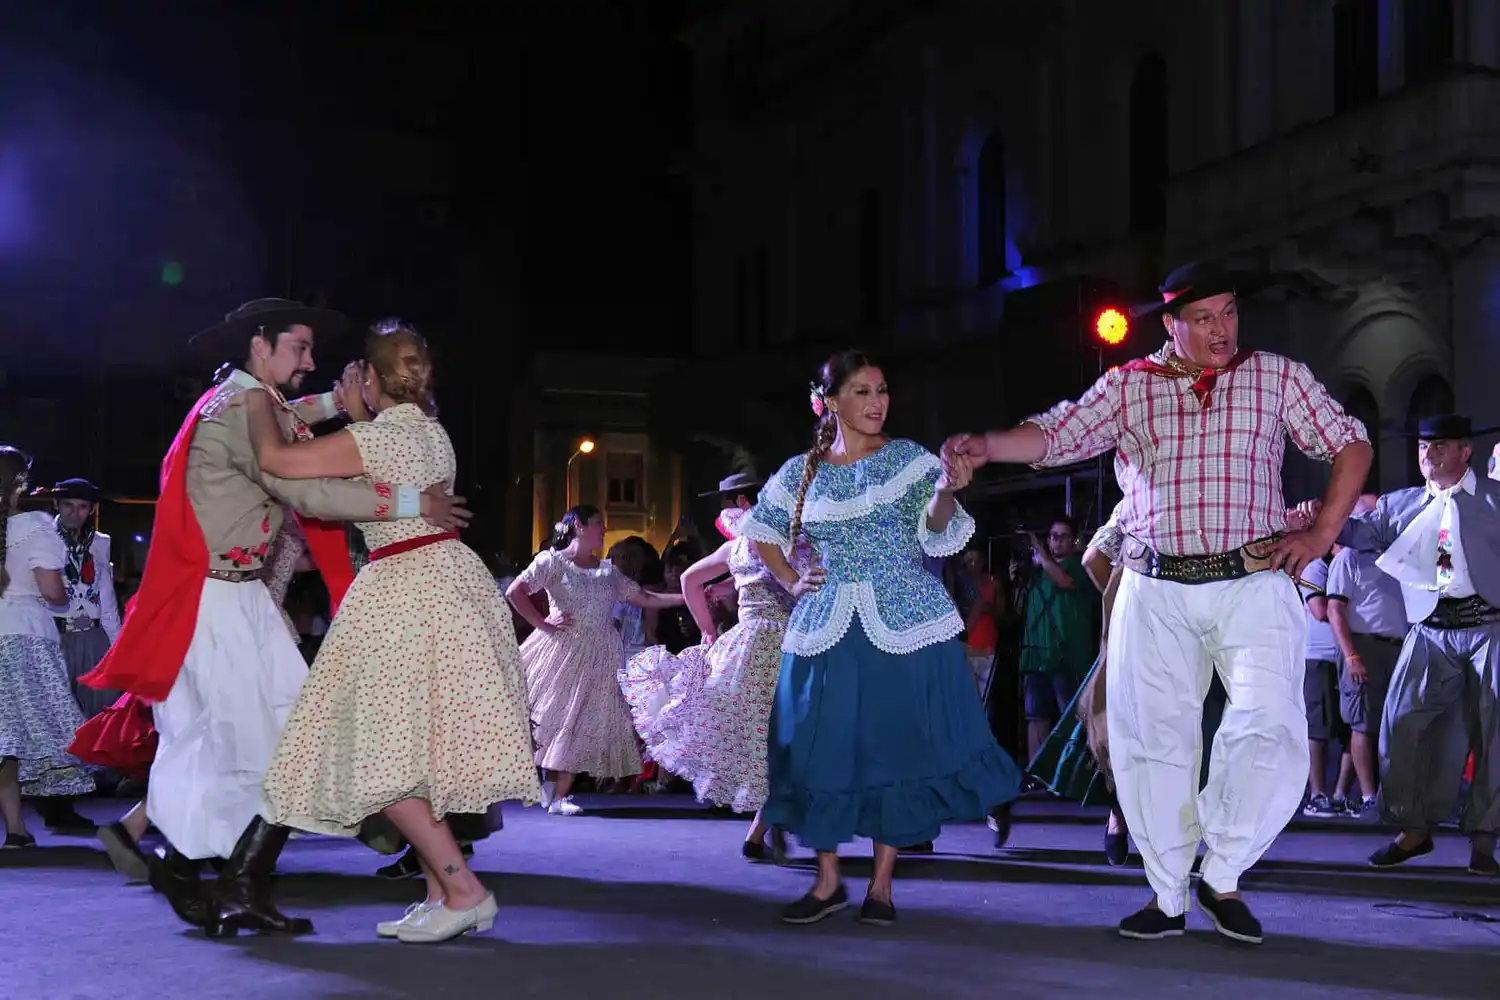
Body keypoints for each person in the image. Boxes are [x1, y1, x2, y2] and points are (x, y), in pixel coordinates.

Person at [947, 262, 1371, 943]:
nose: (1222, 330)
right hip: (1156, 584)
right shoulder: (1130, 386)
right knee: (1152, 744)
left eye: (1230, 312)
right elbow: (1057, 433)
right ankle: (1167, 894)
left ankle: (1223, 871)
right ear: (1171, 323)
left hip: (1252, 578)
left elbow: (1351, 440)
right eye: (1204, 318)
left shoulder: (1276, 376)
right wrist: (989, 445)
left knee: (1273, 725)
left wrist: (1323, 531)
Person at [80, 298, 471, 937]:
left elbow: (289, 425)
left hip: (234, 596)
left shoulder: (241, 400)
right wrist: (409, 500)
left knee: (272, 740)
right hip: (215, 599)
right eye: (299, 348)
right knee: (273, 744)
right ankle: (200, 871)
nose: (310, 361)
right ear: (260, 347)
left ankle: (216, 875)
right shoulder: (242, 406)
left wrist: (335, 409)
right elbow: (297, 484)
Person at [257, 319, 540, 942]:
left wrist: (265, 398)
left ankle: (463, 888)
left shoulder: (375, 438)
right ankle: (442, 893)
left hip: (404, 588)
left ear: (372, 377)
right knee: (416, 751)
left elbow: (275, 460)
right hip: (446, 579)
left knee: (377, 752)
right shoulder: (434, 435)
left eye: (359, 370)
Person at [741, 349, 1021, 926]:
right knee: (817, 746)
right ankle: (827, 882)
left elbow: (938, 531)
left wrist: (947, 490)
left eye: (883, 390)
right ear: (832, 401)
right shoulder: (800, 472)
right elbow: (762, 533)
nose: (878, 402)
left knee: (893, 747)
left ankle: (882, 886)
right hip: (823, 624)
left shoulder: (909, 461)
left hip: (906, 621)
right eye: (864, 391)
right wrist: (793, 580)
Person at [1314, 414, 1500, 876]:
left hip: (1487, 629)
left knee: (1493, 735)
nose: (1428, 454)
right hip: (1429, 631)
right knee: (1398, 725)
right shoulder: (1401, 505)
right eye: (1422, 446)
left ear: (1465, 452)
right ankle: (1413, 829)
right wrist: (1324, 517)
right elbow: (1358, 535)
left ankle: (1483, 838)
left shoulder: (1495, 500)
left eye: (1439, 446)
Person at [621, 472, 798, 857]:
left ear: (741, 504)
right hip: (788, 643)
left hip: (747, 644)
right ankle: (767, 825)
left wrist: (707, 631)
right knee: (788, 736)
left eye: (725, 503)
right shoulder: (782, 541)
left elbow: (688, 580)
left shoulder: (735, 548)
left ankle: (763, 827)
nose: (721, 512)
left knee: (761, 737)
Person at [506, 507, 686, 816]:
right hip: (563, 651)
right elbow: (515, 591)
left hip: (601, 654)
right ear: (578, 525)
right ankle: (550, 782)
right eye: (599, 524)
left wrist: (687, 596)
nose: (604, 529)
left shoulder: (608, 572)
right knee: (556, 717)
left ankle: (561, 794)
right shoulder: (552, 562)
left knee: (581, 720)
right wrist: (544, 624)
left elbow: (645, 598)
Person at [0, 446, 96, 848]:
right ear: (21, 482)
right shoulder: (36, 526)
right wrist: (66, 603)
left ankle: (17, 829)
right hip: (24, 636)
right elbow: (52, 591)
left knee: (6, 738)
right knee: (22, 736)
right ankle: (16, 830)